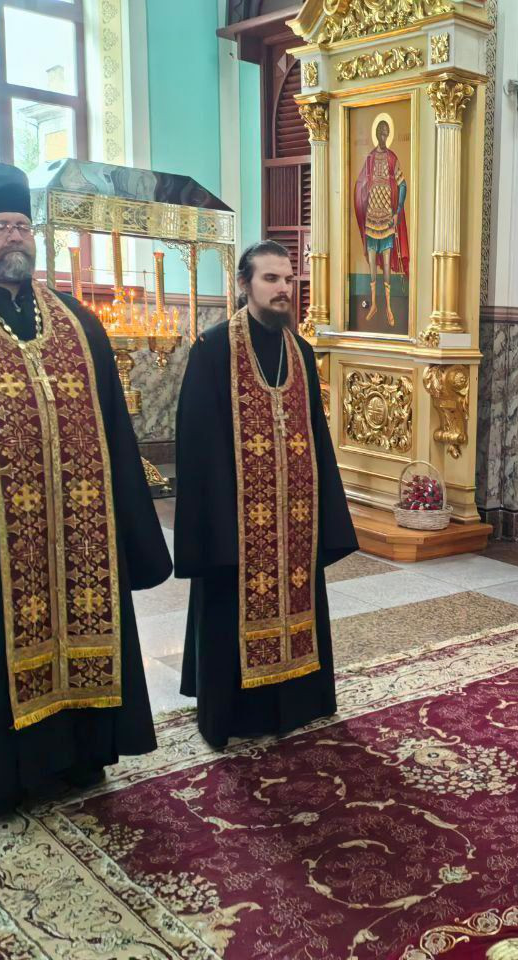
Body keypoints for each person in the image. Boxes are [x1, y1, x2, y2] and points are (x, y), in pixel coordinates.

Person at [0, 162, 171, 816]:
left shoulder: (75, 321)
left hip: (81, 538)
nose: (15, 237)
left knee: (83, 633)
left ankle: (80, 755)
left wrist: (130, 529)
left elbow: (116, 436)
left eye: (23, 225)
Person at [174, 241, 357, 750]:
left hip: (294, 517)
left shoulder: (300, 352)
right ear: (244, 284)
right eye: (271, 279)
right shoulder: (213, 350)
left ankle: (299, 702)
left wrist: (326, 513)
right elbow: (197, 445)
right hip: (235, 520)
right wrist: (217, 525)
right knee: (229, 607)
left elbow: (317, 436)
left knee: (299, 597)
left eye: (288, 280)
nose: (283, 290)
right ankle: (233, 713)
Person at [353, 119, 409, 327]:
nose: (383, 136)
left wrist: (397, 211)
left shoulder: (392, 158)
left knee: (386, 265)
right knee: (372, 264)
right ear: (376, 134)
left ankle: (388, 306)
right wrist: (362, 196)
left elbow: (403, 185)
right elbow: (360, 184)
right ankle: (374, 304)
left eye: (386, 132)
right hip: (370, 219)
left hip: (387, 219)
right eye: (381, 132)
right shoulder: (369, 158)